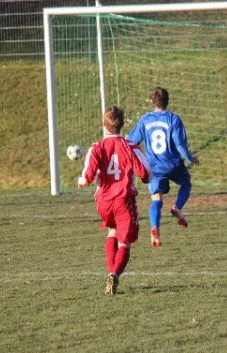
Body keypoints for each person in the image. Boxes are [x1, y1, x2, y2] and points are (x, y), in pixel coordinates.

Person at [78, 106, 151, 296]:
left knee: (112, 231)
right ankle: (114, 274)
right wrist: (145, 179)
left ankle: (110, 274)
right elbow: (146, 172)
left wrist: (81, 182)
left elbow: (86, 177)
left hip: (103, 202)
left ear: (104, 124)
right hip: (123, 201)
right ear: (122, 124)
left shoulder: (96, 147)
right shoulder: (130, 146)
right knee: (124, 243)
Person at [127, 87, 199, 248]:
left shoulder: (145, 120)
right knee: (186, 184)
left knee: (156, 199)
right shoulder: (173, 119)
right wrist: (190, 158)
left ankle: (155, 229)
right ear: (167, 101)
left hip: (154, 168)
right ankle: (177, 207)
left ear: (152, 102)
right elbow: (180, 145)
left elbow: (131, 142)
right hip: (173, 164)